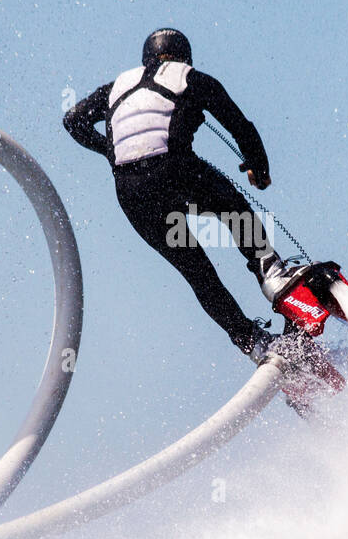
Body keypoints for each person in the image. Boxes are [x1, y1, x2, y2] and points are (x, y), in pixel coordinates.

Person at [63, 28, 282, 358]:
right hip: (175, 172)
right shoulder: (191, 78)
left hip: (131, 193)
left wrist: (112, 151)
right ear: (184, 57)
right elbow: (240, 125)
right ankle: (272, 274)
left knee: (196, 270)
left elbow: (73, 120)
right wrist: (259, 169)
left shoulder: (115, 88)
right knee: (234, 210)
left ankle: (250, 341)